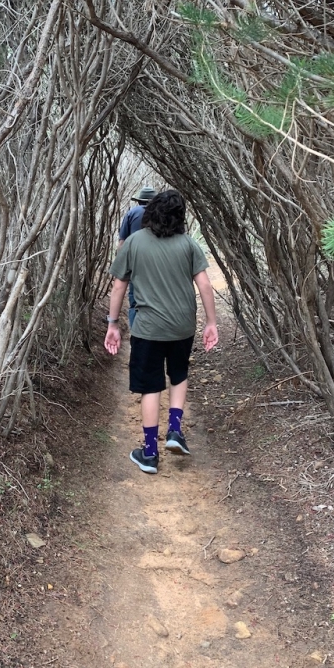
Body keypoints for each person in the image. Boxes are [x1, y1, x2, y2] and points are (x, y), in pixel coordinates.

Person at [104, 190, 219, 474]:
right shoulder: (189, 245)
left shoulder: (133, 243)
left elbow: (119, 285)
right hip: (182, 325)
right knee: (178, 374)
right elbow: (204, 285)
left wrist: (113, 324)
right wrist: (211, 322)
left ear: (150, 211)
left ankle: (150, 453)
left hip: (148, 328)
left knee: (150, 386)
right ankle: (175, 431)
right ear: (181, 217)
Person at [118, 185, 157, 327]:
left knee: (135, 301)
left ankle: (136, 332)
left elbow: (122, 242)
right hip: (157, 263)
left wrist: (122, 266)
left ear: (139, 201)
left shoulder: (131, 213)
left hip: (135, 263)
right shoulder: (160, 215)